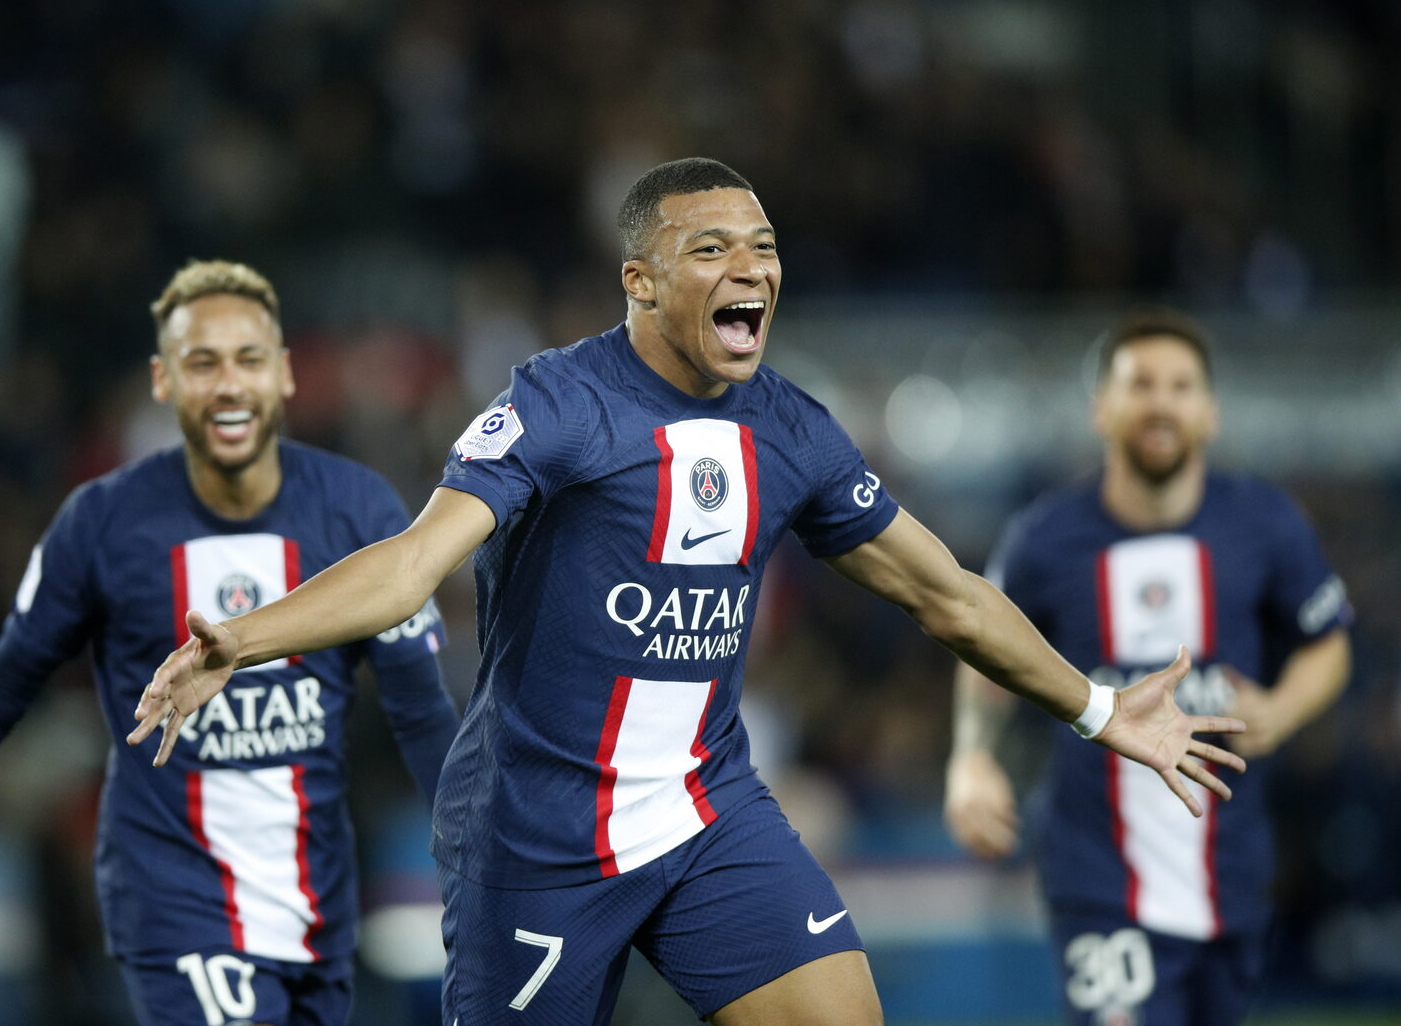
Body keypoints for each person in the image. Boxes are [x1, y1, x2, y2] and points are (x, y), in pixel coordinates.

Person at [128, 160, 1246, 1026]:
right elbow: (413, 563)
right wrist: (242, 641)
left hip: (708, 814)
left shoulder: (791, 432)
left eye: (763, 247)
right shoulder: (559, 405)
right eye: (709, 248)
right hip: (537, 837)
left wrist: (1098, 710)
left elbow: (945, 593)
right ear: (641, 282)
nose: (749, 269)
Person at [0, 260, 459, 1026]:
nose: (229, 385)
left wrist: (476, 861)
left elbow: (420, 709)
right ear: (163, 381)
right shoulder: (101, 524)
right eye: (202, 363)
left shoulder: (357, 509)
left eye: (249, 359)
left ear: (285, 373)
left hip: (316, 904)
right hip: (175, 899)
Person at [943, 311, 1353, 1026]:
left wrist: (1282, 710)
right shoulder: (1044, 538)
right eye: (1140, 385)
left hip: (1231, 878)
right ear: (1101, 409)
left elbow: (1328, 641)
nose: (1160, 402)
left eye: (1180, 386)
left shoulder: (1265, 522)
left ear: (1210, 412)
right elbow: (985, 650)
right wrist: (972, 759)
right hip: (1098, 879)